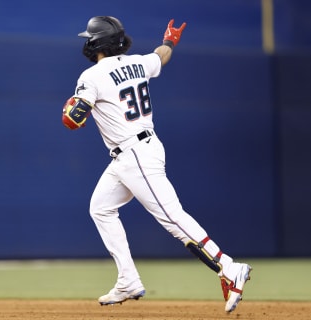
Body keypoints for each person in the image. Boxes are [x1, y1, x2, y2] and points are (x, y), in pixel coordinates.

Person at [61, 16, 252, 313]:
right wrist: (170, 41)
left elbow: (74, 118)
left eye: (89, 37)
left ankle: (228, 267)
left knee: (173, 218)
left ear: (96, 42)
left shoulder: (92, 76)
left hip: (134, 155)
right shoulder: (138, 62)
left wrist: (75, 109)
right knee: (101, 208)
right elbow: (161, 57)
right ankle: (128, 280)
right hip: (138, 151)